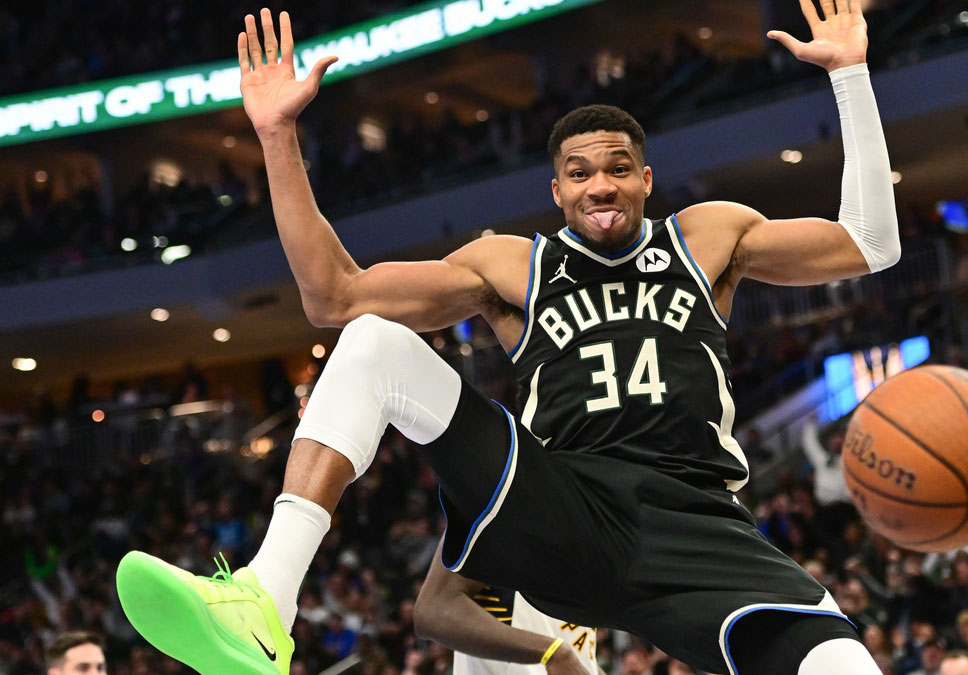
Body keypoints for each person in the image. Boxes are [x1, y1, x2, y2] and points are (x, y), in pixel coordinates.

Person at [114, 0, 899, 673]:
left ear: (647, 180)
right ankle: (265, 602)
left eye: (620, 167)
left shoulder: (707, 238)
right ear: (555, 189)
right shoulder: (515, 267)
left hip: (693, 520)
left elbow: (871, 243)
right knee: (373, 340)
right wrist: (278, 137)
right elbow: (333, 296)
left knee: (843, 661)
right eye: (582, 171)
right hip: (562, 506)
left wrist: (850, 76)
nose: (602, 184)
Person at [413, 540, 597, 675]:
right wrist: (553, 652)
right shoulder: (498, 509)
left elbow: (579, 658)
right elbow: (431, 610)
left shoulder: (586, 542)